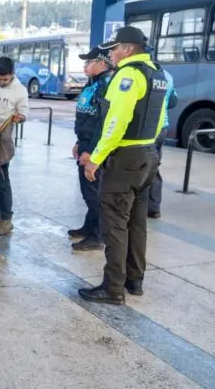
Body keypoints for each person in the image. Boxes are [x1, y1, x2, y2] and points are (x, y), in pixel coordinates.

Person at [79, 26, 166, 304]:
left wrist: (96, 158)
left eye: (114, 49)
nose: (112, 55)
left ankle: (112, 287)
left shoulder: (128, 75)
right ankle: (134, 279)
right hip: (148, 156)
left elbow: (115, 123)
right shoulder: (157, 74)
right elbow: (160, 118)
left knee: (115, 223)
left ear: (127, 48)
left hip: (125, 159)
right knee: (137, 223)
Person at [69, 47, 115, 252]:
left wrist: (92, 151)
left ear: (103, 64)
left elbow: (103, 123)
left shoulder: (106, 86)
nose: (85, 65)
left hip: (93, 148)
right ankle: (89, 227)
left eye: (89, 62)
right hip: (85, 143)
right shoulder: (92, 84)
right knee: (87, 191)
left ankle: (97, 235)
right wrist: (80, 144)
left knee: (93, 193)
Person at [0, 57, 28, 235]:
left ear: (12, 75)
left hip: (2, 139)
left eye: (5, 79)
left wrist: (19, 117)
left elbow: (24, 112)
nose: (1, 82)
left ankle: (7, 218)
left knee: (2, 179)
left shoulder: (20, 90)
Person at [148, 58, 177, 219]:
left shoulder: (143, 74)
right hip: (163, 127)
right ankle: (154, 207)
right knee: (154, 167)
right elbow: (173, 100)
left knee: (142, 168)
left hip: (149, 130)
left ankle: (141, 206)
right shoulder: (167, 75)